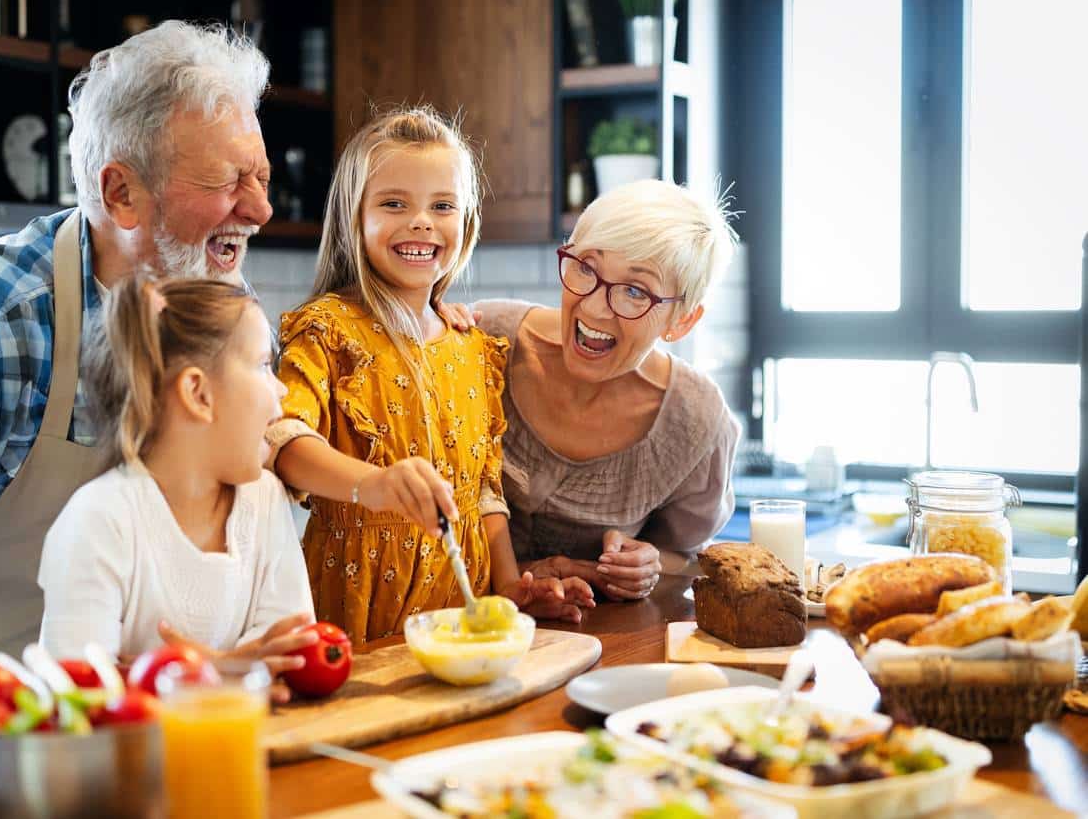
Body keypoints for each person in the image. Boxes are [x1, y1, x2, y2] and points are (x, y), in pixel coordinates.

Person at [0, 21, 280, 792]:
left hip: (117, 757)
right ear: (120, 193)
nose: (261, 210)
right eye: (228, 181)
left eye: (262, 177)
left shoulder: (216, 311)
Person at [267, 107, 594, 645]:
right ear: (354, 216)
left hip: (463, 614)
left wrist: (509, 588)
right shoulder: (326, 330)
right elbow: (283, 443)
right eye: (394, 203)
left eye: (442, 206)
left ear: (467, 221)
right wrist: (373, 485)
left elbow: (483, 490)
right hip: (356, 613)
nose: (421, 221)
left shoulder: (473, 346)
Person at [38, 278, 315, 698]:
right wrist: (215, 671)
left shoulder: (265, 497)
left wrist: (156, 673)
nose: (281, 389)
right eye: (263, 365)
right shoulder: (98, 519)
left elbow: (289, 649)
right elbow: (78, 693)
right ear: (197, 393)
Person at [467, 180, 741, 602]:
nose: (594, 307)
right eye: (586, 268)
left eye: (634, 291)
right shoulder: (483, 339)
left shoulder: (696, 421)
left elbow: (685, 557)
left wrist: (648, 562)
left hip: (593, 636)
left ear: (682, 321)